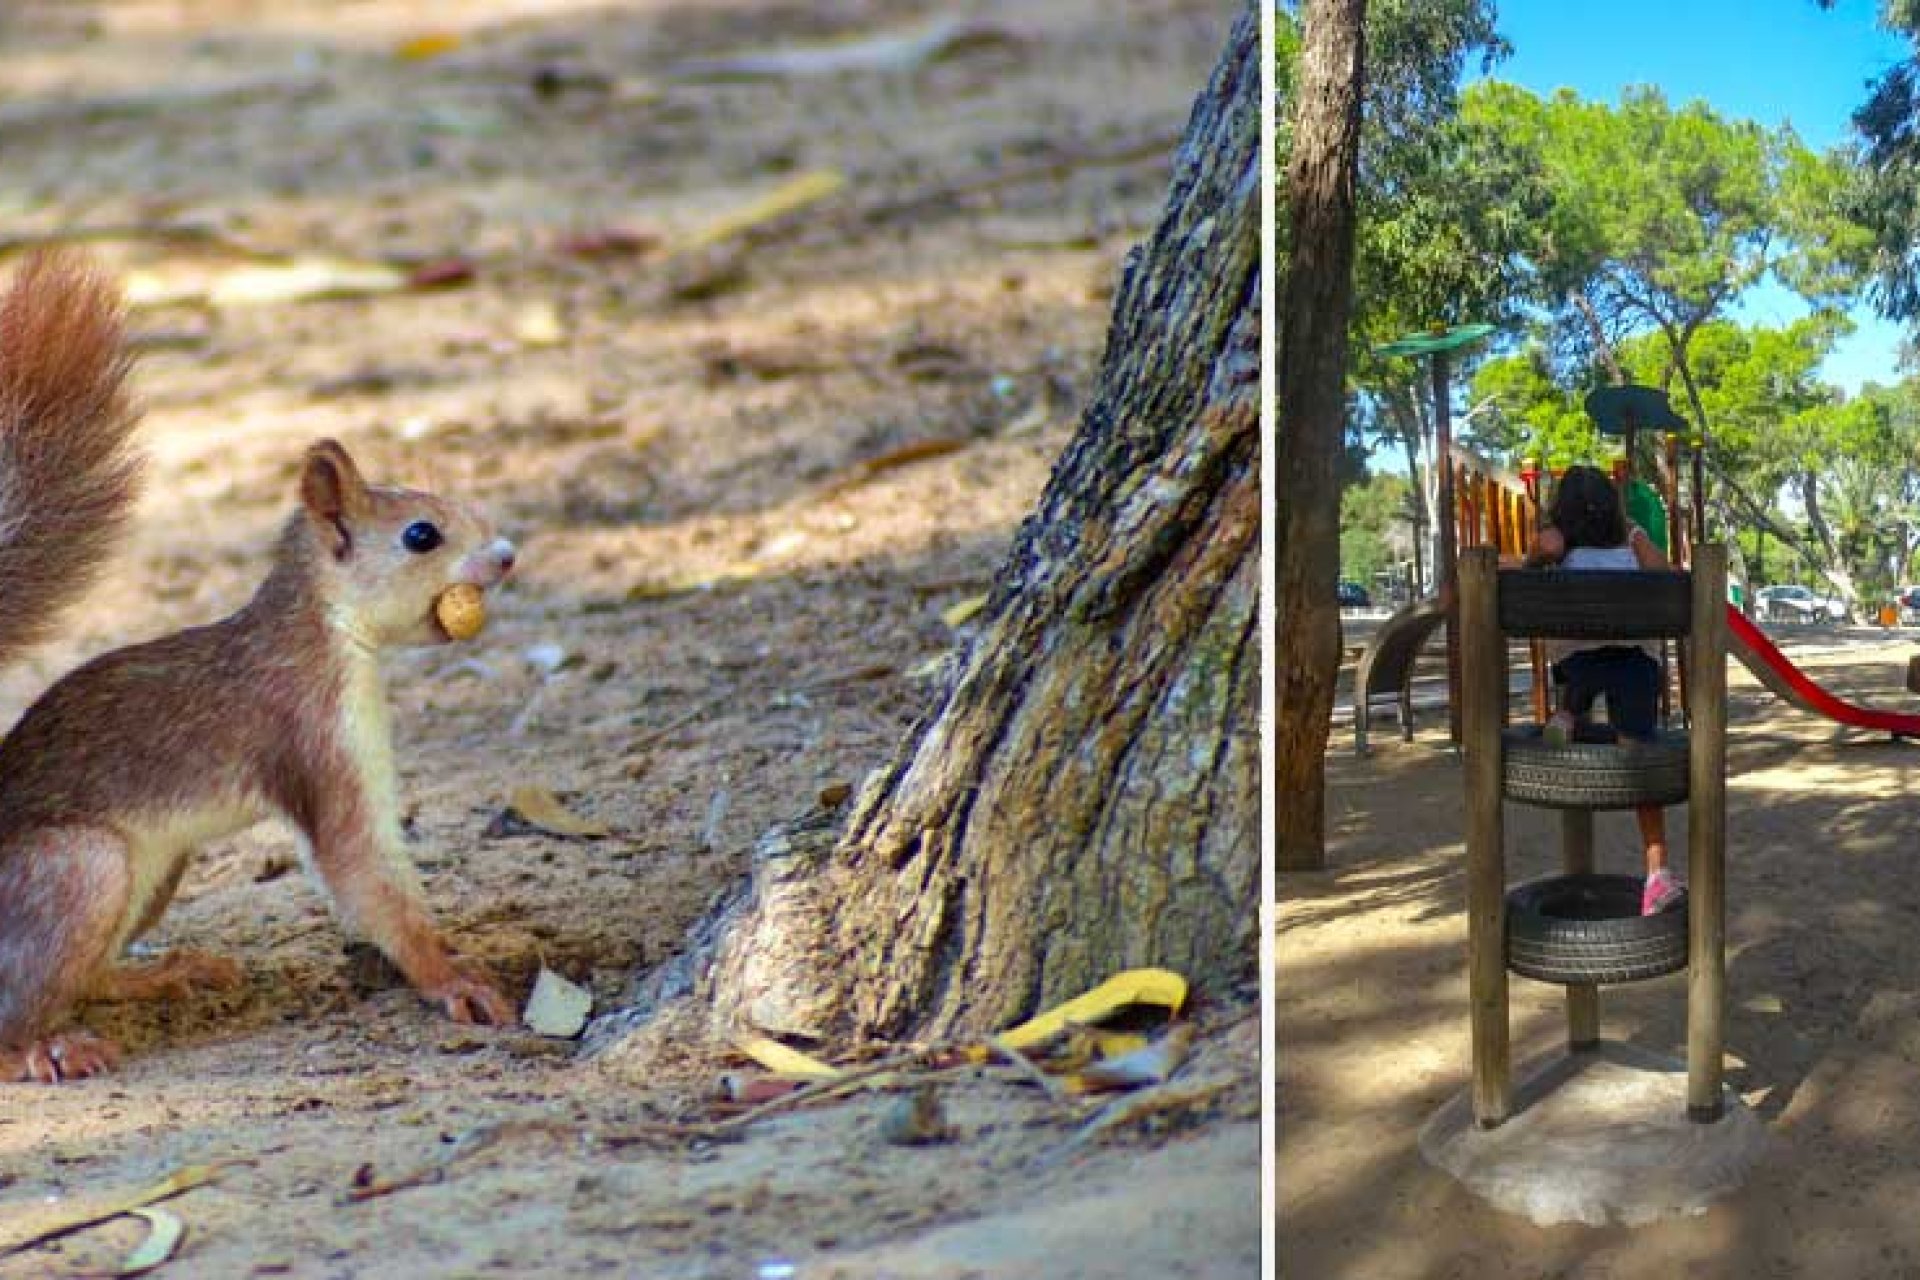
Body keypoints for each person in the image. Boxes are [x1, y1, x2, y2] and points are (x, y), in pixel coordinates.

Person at [1526, 464, 1683, 917]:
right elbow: (1663, 571)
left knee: (1580, 663)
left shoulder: (1563, 540)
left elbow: (1544, 549)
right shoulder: (1629, 539)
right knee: (1638, 757)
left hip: (1580, 662)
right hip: (1636, 664)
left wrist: (1545, 548)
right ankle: (1657, 872)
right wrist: (1632, 535)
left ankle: (1567, 714)